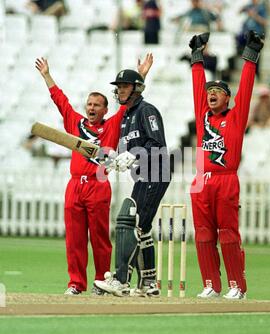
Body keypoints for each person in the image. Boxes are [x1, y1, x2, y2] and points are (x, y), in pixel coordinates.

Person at [35, 54, 153, 295]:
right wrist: (47, 75)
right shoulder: (75, 124)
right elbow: (61, 102)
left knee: (100, 239)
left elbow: (128, 100)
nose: (91, 108)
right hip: (75, 186)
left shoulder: (112, 126)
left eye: (96, 105)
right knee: (75, 239)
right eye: (89, 104)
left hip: (98, 185)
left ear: (105, 109)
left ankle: (101, 281)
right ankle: (76, 283)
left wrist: (141, 73)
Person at [189, 30, 264, 299]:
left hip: (226, 179)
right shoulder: (202, 116)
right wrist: (197, 57)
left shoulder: (235, 117)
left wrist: (251, 56)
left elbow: (246, 88)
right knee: (203, 234)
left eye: (218, 92)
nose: (211, 94)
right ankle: (210, 283)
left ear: (227, 99)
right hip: (201, 180)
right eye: (210, 91)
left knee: (229, 234)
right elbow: (198, 85)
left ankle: (236, 286)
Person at [94, 67, 170, 298]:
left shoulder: (147, 111)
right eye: (118, 87)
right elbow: (128, 151)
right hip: (142, 175)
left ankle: (121, 280)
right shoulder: (126, 116)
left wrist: (134, 155)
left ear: (137, 88)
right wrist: (118, 159)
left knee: (130, 223)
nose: (120, 90)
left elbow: (157, 144)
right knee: (143, 228)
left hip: (156, 172)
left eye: (125, 86)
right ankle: (148, 283)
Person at [236, 0, 267, 79]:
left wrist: (254, 15)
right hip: (247, 34)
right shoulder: (249, 5)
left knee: (256, 55)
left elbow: (264, 22)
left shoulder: (262, 7)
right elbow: (238, 12)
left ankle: (256, 73)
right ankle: (247, 72)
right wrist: (243, 9)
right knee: (247, 53)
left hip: (257, 33)